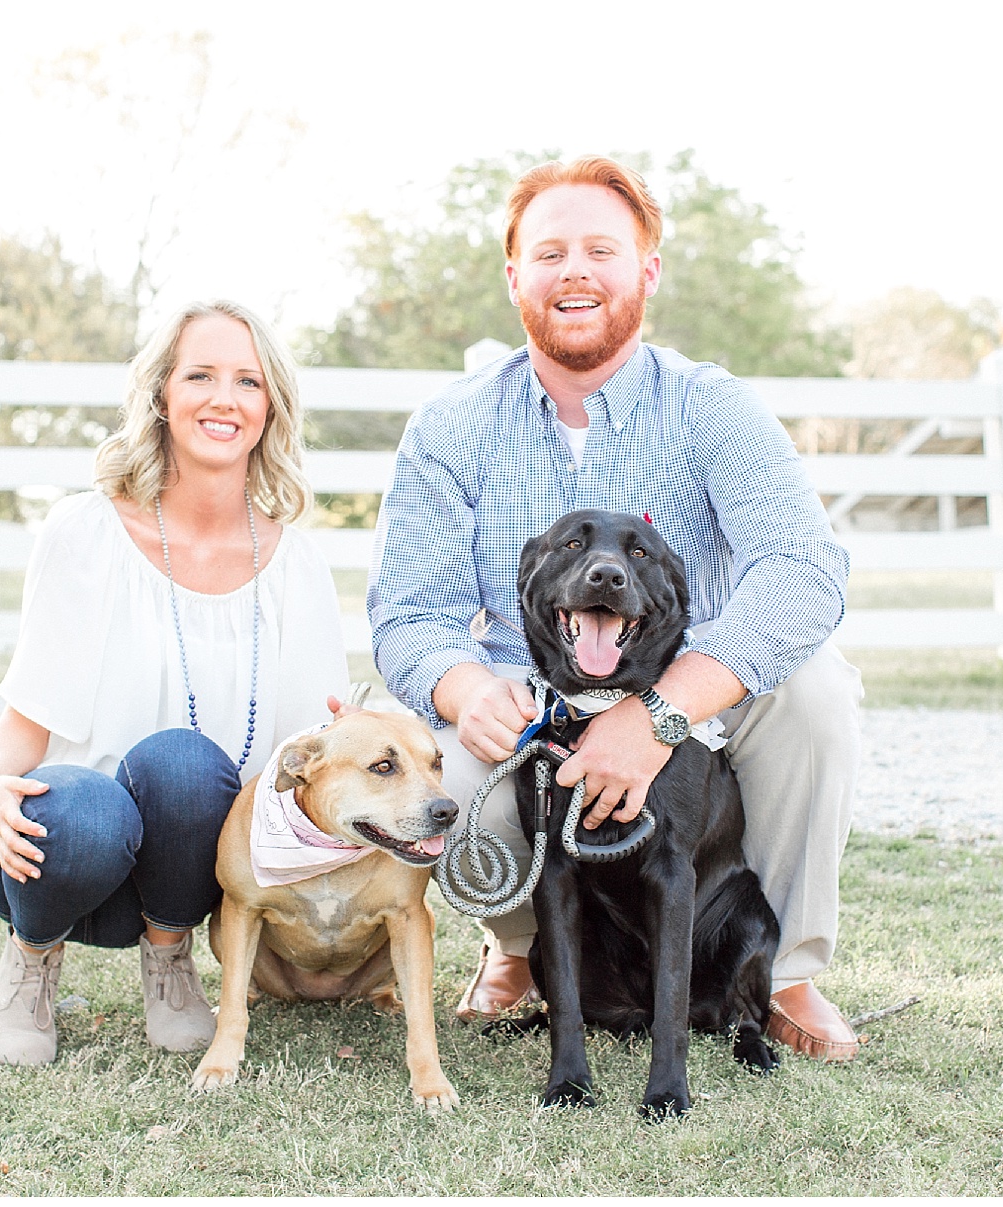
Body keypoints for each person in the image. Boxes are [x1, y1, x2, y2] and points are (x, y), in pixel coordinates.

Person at [367, 157, 865, 1062]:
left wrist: (660, 713)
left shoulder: (713, 409)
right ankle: (520, 949)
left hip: (702, 690)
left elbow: (803, 573)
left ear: (647, 271)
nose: (576, 272)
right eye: (550, 252)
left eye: (602, 249)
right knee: (454, 764)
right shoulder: (449, 427)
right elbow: (407, 613)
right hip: (538, 703)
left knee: (818, 690)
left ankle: (783, 971)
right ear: (515, 276)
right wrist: (460, 682)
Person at [0, 299, 350, 1066]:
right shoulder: (84, 532)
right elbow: (25, 721)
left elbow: (307, 762)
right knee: (90, 807)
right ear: (163, 395)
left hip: (189, 870)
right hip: (57, 854)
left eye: (247, 381)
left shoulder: (297, 566)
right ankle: (30, 961)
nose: (223, 398)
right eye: (200, 374)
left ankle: (171, 962)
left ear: (270, 409)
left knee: (187, 764)